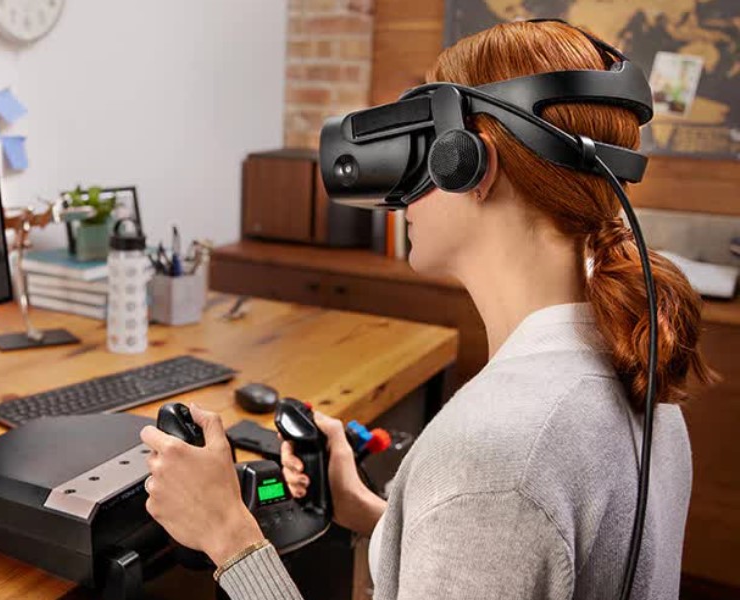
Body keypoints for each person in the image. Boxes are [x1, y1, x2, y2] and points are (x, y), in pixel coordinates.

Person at [139, 20, 716, 600]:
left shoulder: (490, 456)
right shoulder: (641, 377)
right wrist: (365, 508)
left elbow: (495, 508)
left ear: (470, 163)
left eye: (420, 148)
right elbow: (501, 549)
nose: (401, 196)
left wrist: (229, 537)